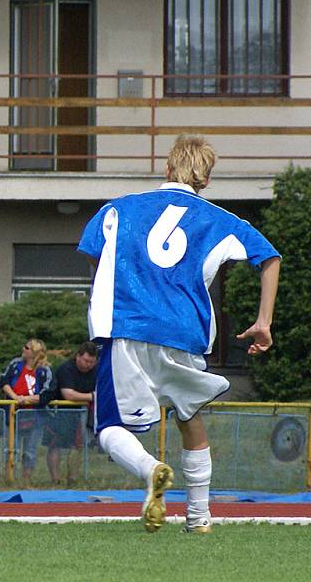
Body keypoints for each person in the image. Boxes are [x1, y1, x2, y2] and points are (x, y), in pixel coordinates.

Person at [78, 136, 280, 534]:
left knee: (111, 428)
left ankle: (151, 468)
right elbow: (269, 256)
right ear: (205, 180)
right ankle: (199, 518)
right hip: (186, 331)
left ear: (168, 168)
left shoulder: (118, 208)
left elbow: (93, 254)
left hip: (127, 328)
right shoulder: (221, 220)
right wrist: (263, 322)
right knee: (190, 417)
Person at [0, 339, 53, 485]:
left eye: (26, 348)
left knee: (30, 451)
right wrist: (16, 398)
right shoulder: (15, 364)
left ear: (34, 352)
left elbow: (46, 394)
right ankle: (9, 480)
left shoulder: (44, 370)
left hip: (35, 416)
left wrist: (26, 399)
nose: (23, 349)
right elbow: (3, 381)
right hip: (13, 414)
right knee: (10, 449)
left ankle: (25, 480)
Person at [42, 341, 98, 486]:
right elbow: (69, 395)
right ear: (78, 356)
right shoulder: (66, 369)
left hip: (82, 414)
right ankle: (55, 480)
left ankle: (72, 479)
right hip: (60, 412)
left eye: (92, 362)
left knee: (77, 447)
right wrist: (93, 396)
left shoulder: (96, 370)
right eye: (86, 361)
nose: (88, 365)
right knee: (55, 446)